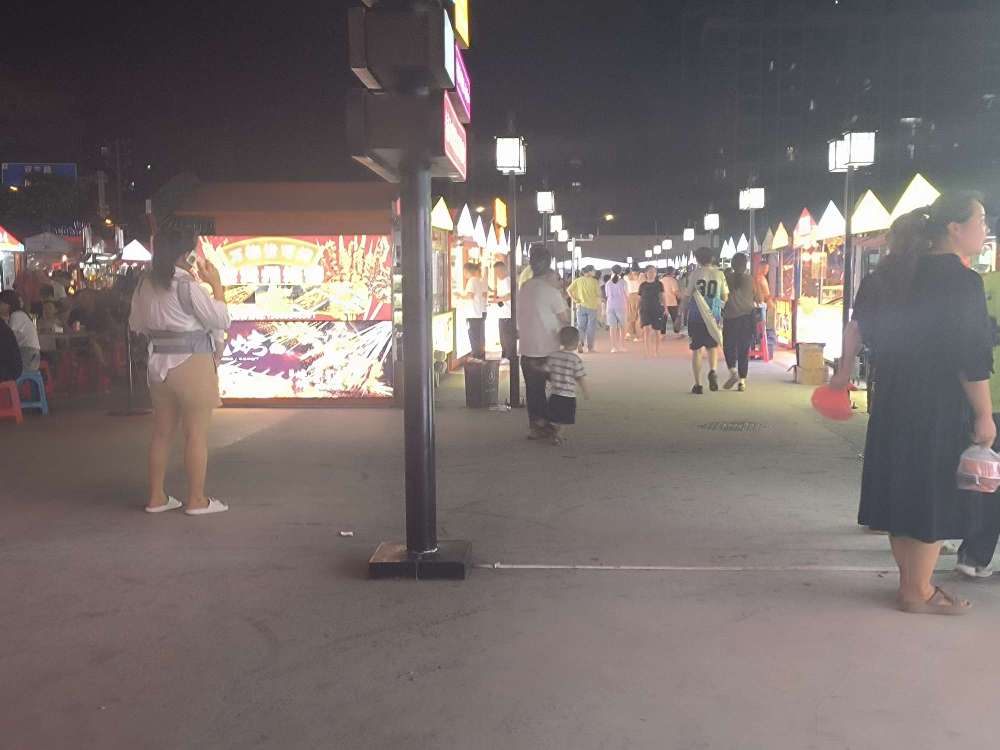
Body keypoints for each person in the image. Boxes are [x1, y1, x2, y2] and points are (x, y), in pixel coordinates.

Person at [830, 192, 993, 613]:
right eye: (980, 219)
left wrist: (843, 373)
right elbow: (970, 357)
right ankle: (917, 591)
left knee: (901, 486)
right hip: (937, 403)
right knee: (931, 492)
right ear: (954, 228)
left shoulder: (890, 275)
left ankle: (911, 582)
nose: (986, 227)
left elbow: (857, 326)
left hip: (891, 396)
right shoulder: (962, 282)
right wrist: (983, 414)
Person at [129, 228, 231, 516]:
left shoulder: (144, 284)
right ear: (186, 254)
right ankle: (197, 500)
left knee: (161, 434)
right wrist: (217, 285)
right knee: (196, 434)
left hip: (158, 367)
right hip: (193, 362)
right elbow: (221, 319)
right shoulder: (187, 285)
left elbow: (136, 324)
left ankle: (156, 497)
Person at [516, 247, 570, 439]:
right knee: (561, 387)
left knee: (534, 391)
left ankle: (537, 426)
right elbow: (565, 319)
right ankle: (554, 424)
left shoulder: (524, 288)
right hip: (549, 348)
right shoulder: (551, 292)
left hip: (527, 347)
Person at [683, 247, 728, 393]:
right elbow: (725, 296)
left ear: (697, 259)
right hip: (713, 316)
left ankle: (698, 385)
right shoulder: (719, 274)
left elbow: (687, 295)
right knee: (712, 347)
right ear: (712, 258)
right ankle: (713, 370)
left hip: (696, 316)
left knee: (696, 350)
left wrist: (679, 314)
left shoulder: (695, 274)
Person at [544, 326, 590, 445]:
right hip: (568, 395)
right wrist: (585, 391)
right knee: (564, 419)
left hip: (554, 394)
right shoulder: (575, 359)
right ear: (576, 342)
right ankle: (558, 435)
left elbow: (546, 370)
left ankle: (550, 426)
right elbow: (580, 377)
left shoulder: (553, 356)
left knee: (555, 415)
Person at [721, 252, 756, 392]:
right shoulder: (750, 279)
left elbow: (722, 296)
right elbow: (758, 296)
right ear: (745, 265)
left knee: (728, 346)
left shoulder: (726, 278)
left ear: (732, 264)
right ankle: (742, 381)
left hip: (731, 318)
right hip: (747, 318)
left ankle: (733, 371)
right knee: (744, 350)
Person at [0, 290, 41, 372]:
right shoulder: (17, 315)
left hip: (27, 355)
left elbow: (9, 339)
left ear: (8, 304)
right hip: (29, 355)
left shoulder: (16, 315)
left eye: (1, 303)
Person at [456, 262, 487, 360]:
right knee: (479, 335)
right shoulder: (478, 280)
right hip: (478, 312)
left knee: (474, 336)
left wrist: (459, 295)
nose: (464, 274)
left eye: (464, 271)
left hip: (473, 313)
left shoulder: (472, 280)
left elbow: (470, 295)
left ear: (466, 271)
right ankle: (480, 356)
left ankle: (476, 356)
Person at [567, 265, 600, 353]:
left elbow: (568, 290)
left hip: (580, 306)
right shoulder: (594, 281)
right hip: (592, 307)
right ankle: (590, 347)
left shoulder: (578, 280)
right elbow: (598, 294)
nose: (594, 272)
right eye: (593, 270)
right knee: (591, 328)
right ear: (589, 272)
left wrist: (574, 299)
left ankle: (580, 342)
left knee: (580, 327)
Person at [637, 265, 666, 358]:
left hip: (656, 309)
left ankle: (657, 351)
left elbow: (662, 297)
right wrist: (638, 310)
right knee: (646, 330)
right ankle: (647, 351)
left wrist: (666, 308)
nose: (652, 273)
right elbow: (639, 298)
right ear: (646, 273)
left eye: (654, 272)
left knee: (657, 331)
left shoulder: (659, 284)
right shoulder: (643, 285)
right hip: (644, 309)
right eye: (650, 271)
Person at [491, 261, 516, 364]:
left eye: (498, 271)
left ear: (503, 270)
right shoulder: (501, 281)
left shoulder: (507, 281)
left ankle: (508, 356)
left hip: (507, 313)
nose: (497, 274)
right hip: (503, 313)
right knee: (503, 336)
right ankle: (506, 355)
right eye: (496, 272)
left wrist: (498, 299)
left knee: (506, 337)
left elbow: (510, 295)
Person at [604, 265, 629, 353]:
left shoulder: (608, 283)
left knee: (612, 327)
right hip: (621, 305)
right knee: (623, 327)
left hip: (610, 306)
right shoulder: (623, 282)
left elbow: (607, 295)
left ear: (611, 271)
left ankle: (614, 347)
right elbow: (627, 295)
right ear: (621, 272)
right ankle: (622, 346)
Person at [661, 267, 682, 335]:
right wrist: (681, 298)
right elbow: (675, 292)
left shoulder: (661, 280)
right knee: (675, 319)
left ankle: (662, 334)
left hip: (663, 303)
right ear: (672, 272)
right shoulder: (673, 280)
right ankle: (677, 334)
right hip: (672, 303)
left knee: (663, 321)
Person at [625, 265, 642, 341]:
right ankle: (638, 335)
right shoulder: (640, 276)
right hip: (639, 296)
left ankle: (630, 333)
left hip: (630, 296)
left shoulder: (626, 277)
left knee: (631, 316)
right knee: (638, 316)